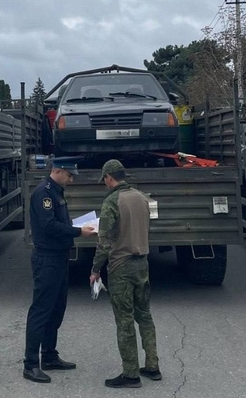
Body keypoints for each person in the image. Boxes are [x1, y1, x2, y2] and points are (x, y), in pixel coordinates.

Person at [23, 157, 96, 384]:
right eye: (69, 175)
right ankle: (31, 364)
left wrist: (75, 226)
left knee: (57, 308)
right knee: (42, 310)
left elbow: (59, 221)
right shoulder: (44, 193)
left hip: (59, 256)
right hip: (47, 258)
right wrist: (78, 232)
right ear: (58, 171)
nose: (71, 180)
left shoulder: (56, 191)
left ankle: (49, 355)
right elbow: (48, 225)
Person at [90, 159, 161, 389]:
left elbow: (104, 241)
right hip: (142, 263)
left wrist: (95, 269)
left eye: (104, 179)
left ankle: (130, 374)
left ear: (109, 177)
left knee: (125, 320)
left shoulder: (112, 201)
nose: (104, 183)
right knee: (145, 315)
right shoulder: (142, 197)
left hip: (121, 266)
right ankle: (152, 366)